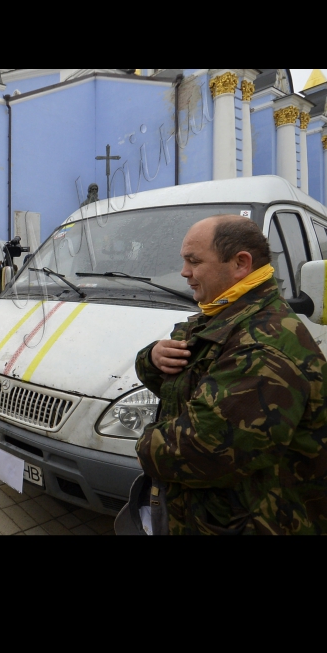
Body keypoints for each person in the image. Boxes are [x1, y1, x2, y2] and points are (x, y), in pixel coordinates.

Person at [131, 215, 327, 536]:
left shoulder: (263, 345)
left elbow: (202, 452)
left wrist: (143, 448)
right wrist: (152, 358)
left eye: (194, 261)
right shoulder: (221, 314)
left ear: (240, 264)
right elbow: (179, 384)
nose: (184, 272)